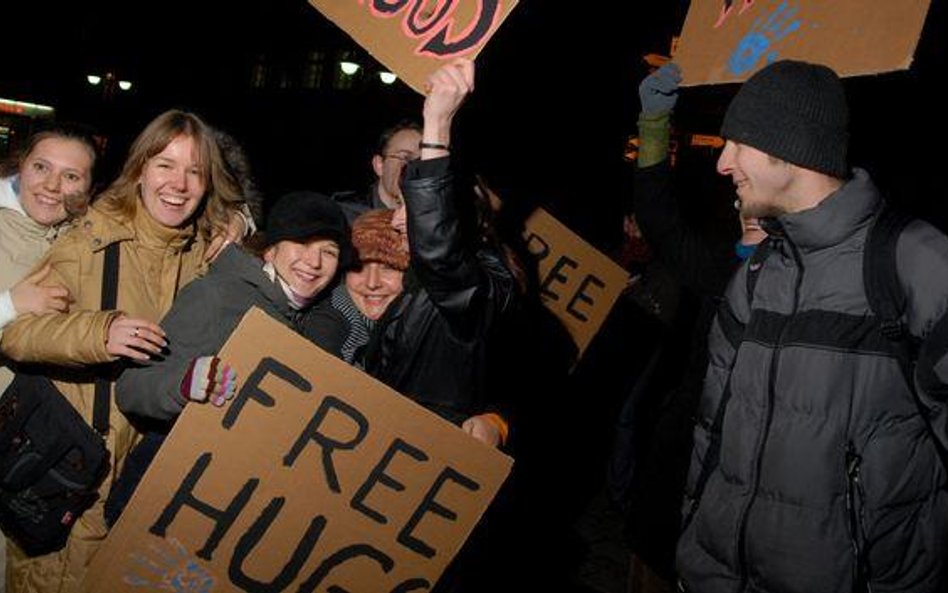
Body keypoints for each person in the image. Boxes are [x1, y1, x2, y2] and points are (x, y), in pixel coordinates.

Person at [677, 60, 948, 593]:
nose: (722, 163)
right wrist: (695, 554)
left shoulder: (917, 266)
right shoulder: (755, 273)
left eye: (738, 143)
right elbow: (710, 436)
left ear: (789, 146)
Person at [0, 109, 246, 593]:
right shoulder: (92, 237)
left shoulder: (203, 250)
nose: (178, 183)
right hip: (71, 477)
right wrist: (98, 333)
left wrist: (240, 220)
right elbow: (17, 334)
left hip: (143, 483)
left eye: (194, 171)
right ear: (139, 170)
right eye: (164, 165)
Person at [363, 58, 514, 448]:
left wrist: (437, 125)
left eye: (410, 212)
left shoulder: (476, 287)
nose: (395, 222)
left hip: (422, 454)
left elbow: (440, 255)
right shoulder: (413, 282)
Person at [116, 190, 350, 422]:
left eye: (329, 252)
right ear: (270, 250)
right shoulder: (217, 296)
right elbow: (131, 389)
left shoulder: (317, 319)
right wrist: (183, 385)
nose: (314, 262)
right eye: (302, 242)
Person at [302, 207, 409, 367]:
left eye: (388, 267)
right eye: (359, 266)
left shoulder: (423, 322)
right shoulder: (328, 328)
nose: (372, 283)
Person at [333, 120, 422, 222]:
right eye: (405, 158)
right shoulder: (346, 213)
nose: (415, 167)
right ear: (379, 165)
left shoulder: (435, 218)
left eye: (423, 161)